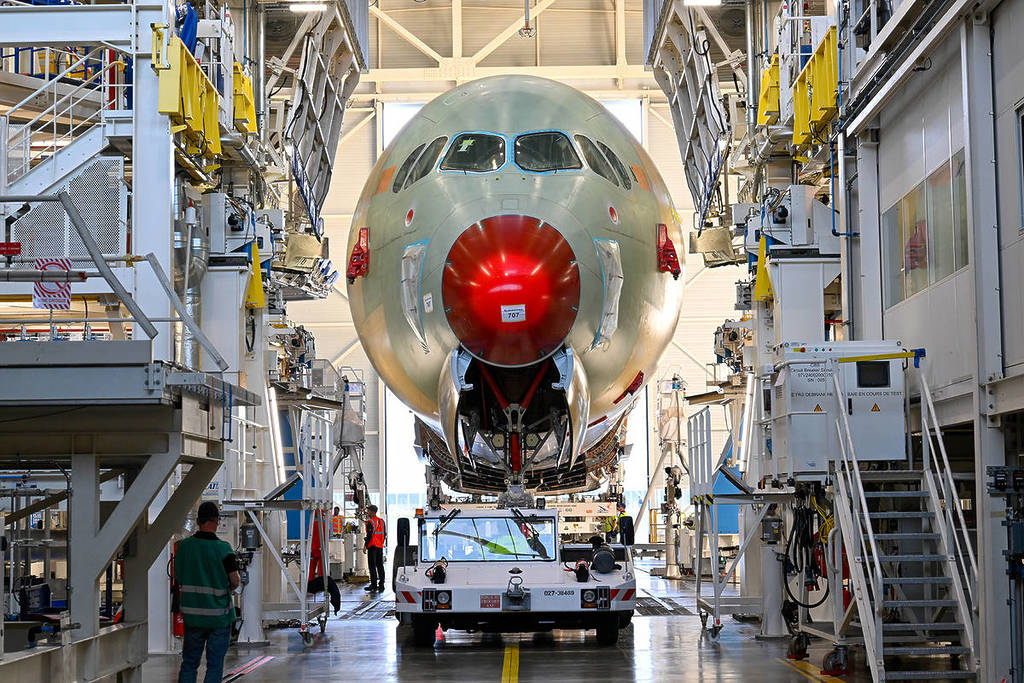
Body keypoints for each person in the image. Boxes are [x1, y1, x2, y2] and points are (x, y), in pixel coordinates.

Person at [175, 501, 239, 683]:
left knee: (189, 663)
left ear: (197, 521)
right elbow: (234, 580)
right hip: (218, 618)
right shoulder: (223, 549)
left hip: (192, 616)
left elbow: (179, 576)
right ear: (217, 521)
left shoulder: (184, 547)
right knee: (215, 664)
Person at [363, 505, 386, 593]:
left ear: (372, 512)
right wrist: (381, 542)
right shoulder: (382, 521)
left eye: (368, 511)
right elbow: (385, 534)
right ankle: (381, 585)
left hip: (372, 546)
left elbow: (369, 535)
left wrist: (365, 546)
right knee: (380, 565)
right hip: (379, 546)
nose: (367, 513)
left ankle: (373, 585)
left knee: (372, 566)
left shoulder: (370, 522)